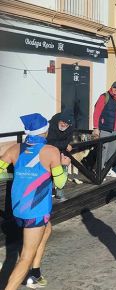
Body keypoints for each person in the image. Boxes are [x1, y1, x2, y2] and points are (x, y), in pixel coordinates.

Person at [0, 113, 71, 290]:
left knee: (47, 230)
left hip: (18, 208)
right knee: (25, 258)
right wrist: (63, 164)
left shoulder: (15, 149)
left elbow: (0, 172)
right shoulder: (51, 151)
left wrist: (16, 176)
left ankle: (36, 272)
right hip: (36, 210)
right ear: (45, 131)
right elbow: (60, 183)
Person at [92, 81, 116, 178]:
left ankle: (107, 169)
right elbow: (96, 112)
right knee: (103, 150)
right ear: (111, 87)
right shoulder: (104, 97)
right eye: (114, 87)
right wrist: (96, 128)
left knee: (111, 151)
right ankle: (99, 171)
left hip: (114, 129)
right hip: (105, 128)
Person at [46, 110, 74, 201]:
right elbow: (50, 142)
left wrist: (64, 145)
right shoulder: (50, 126)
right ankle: (47, 193)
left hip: (62, 152)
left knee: (62, 172)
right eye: (63, 123)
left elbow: (68, 140)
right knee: (48, 174)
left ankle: (59, 193)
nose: (64, 126)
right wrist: (65, 145)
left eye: (67, 125)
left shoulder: (70, 127)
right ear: (60, 120)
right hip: (49, 152)